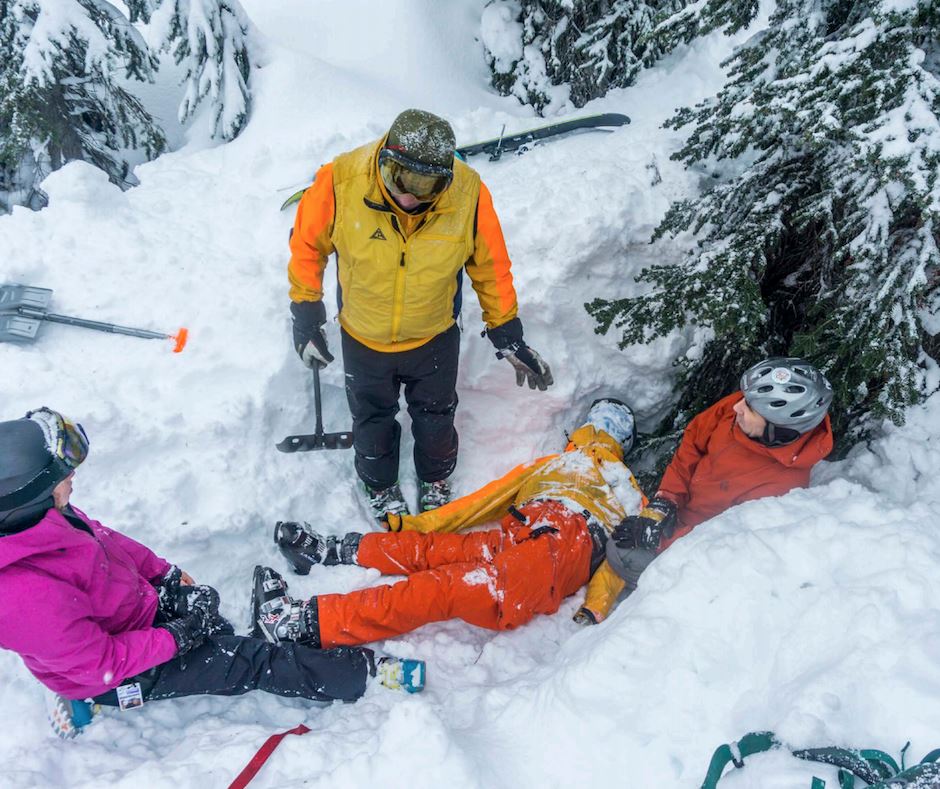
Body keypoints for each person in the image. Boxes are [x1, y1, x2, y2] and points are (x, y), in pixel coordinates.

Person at [0, 408, 424, 739]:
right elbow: (102, 661)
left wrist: (164, 576)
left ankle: (107, 687)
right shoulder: (22, 598)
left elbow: (106, 541)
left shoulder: (44, 518)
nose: (72, 476)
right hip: (116, 667)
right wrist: (180, 637)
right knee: (249, 661)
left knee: (215, 626)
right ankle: (360, 674)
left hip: (128, 617)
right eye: (61, 475)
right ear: (29, 497)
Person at [287, 108, 553, 521]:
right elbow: (307, 246)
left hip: (434, 336)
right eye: (403, 181)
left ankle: (436, 479)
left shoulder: (469, 196)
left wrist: (506, 332)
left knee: (437, 417)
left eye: (428, 187)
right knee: (372, 419)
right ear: (385, 160)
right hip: (363, 336)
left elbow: (490, 266)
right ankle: (379, 486)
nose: (411, 197)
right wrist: (306, 316)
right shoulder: (340, 182)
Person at [250, 399, 646, 648]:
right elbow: (484, 501)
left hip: (560, 552)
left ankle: (303, 624)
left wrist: (597, 604)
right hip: (520, 532)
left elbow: (625, 554)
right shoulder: (554, 465)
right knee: (434, 549)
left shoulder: (628, 488)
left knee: (442, 588)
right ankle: (331, 550)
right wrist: (419, 526)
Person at [605, 356, 834, 598]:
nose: (737, 407)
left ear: (777, 430)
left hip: (695, 542)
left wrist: (662, 540)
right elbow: (693, 441)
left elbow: (724, 540)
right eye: (745, 400)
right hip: (683, 510)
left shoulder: (781, 488)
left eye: (750, 409)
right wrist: (667, 498)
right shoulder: (740, 409)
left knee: (620, 554)